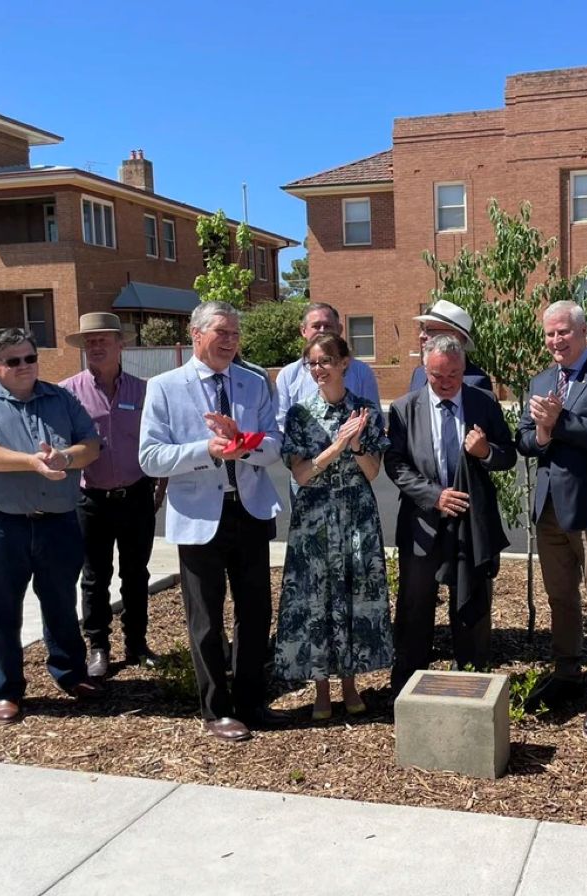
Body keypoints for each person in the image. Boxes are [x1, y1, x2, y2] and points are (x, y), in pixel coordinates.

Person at [139, 300, 287, 742]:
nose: (229, 341)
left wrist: (242, 445)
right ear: (195, 333)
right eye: (221, 332)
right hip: (200, 516)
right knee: (205, 618)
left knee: (256, 612)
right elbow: (150, 458)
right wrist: (208, 450)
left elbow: (275, 444)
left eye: (235, 334)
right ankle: (216, 710)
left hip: (251, 509)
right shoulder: (165, 387)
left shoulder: (253, 382)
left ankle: (251, 702)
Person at [0, 327, 103, 725]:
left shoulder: (60, 398)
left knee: (61, 605)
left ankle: (71, 675)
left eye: (30, 358)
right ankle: (6, 690)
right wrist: (31, 462)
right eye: (13, 361)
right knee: (0, 611)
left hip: (58, 522)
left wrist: (64, 458)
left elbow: (91, 443)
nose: (24, 367)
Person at [517, 301, 587, 734]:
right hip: (548, 508)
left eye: (563, 332)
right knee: (560, 597)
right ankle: (566, 671)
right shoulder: (542, 380)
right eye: (549, 334)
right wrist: (543, 433)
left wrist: (561, 422)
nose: (556, 341)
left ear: (583, 332)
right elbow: (526, 440)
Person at [385, 334, 515, 692]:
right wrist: (434, 495)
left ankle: (471, 682)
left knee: (471, 605)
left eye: (453, 376)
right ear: (424, 369)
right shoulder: (403, 408)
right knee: (414, 608)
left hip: (470, 524)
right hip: (422, 524)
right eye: (437, 376)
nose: (445, 384)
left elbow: (508, 455)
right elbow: (394, 465)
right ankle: (407, 686)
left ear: (463, 369)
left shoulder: (483, 402)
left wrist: (486, 450)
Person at [275, 333, 392, 720]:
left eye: (326, 361)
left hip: (356, 513)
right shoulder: (299, 414)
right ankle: (321, 687)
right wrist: (336, 447)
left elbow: (373, 472)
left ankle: (351, 683)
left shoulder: (365, 411)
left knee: (352, 596)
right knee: (316, 600)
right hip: (314, 519)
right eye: (312, 363)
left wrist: (357, 445)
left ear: (344, 362)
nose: (319, 369)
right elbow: (302, 474)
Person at [60, 312, 161, 677]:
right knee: (94, 576)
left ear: (121, 344)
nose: (96, 346)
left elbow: (159, 442)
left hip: (135, 496)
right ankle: (98, 647)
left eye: (103, 340)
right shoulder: (68, 392)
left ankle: (137, 644)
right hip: (90, 499)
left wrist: (158, 487)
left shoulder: (144, 390)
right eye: (90, 341)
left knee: (136, 574)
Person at [274, 302, 380, 431]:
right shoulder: (288, 375)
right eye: (316, 326)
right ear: (303, 330)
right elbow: (280, 425)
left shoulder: (361, 372)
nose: (322, 331)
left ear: (339, 329)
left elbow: (374, 420)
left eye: (328, 326)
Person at [408, 300, 494, 394]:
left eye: (429, 330)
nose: (421, 336)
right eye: (422, 329)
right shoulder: (418, 374)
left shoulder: (477, 381)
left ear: (454, 336)